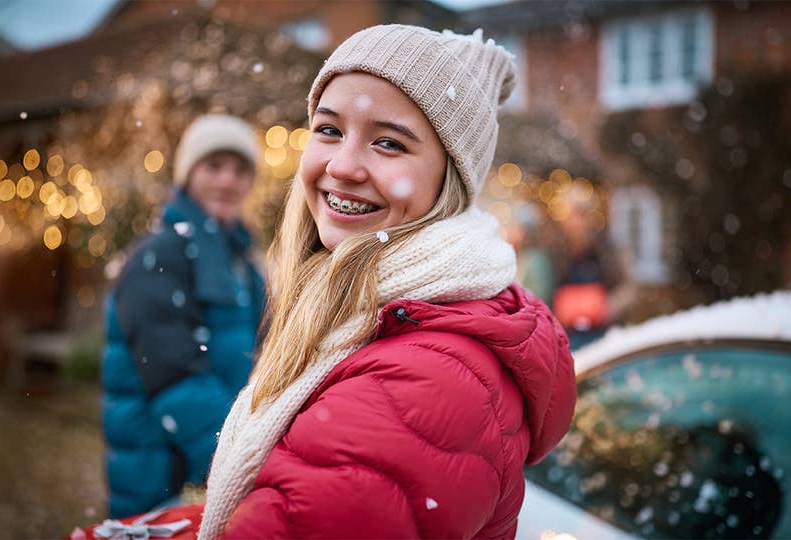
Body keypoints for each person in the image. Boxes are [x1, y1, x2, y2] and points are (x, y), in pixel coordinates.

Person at [195, 25, 578, 538]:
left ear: (449, 180)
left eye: (389, 143)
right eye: (329, 130)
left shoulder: (427, 382)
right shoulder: (365, 313)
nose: (343, 166)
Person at [101, 114, 266, 518]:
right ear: (189, 173)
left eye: (240, 170)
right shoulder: (158, 256)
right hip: (160, 478)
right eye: (214, 166)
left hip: (214, 470)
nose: (227, 181)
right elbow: (176, 378)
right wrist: (240, 467)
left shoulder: (244, 262)